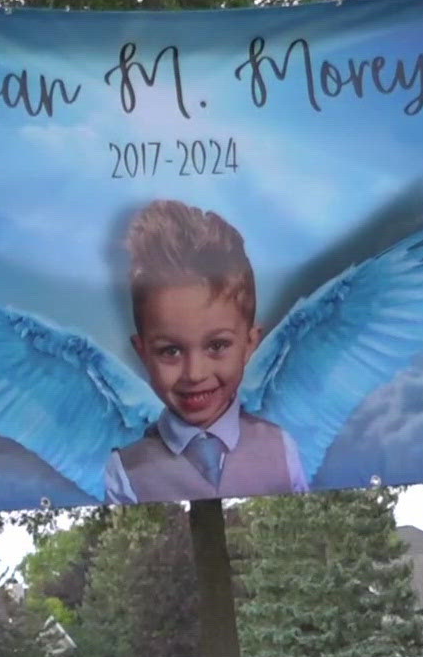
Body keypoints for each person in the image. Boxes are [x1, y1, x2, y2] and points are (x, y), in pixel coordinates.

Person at [103, 200, 308, 504]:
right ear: (143, 352)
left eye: (217, 346)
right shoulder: (124, 472)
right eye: (170, 351)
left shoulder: (281, 448)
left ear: (250, 344)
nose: (195, 374)